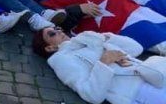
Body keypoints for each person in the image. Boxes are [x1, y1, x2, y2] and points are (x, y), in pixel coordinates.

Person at [33, 29, 166, 104]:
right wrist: (104, 63)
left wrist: (106, 37)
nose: (59, 31)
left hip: (153, 73)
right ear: (50, 47)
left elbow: (136, 48)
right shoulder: (61, 59)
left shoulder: (86, 39)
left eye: (57, 28)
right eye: (52, 34)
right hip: (137, 92)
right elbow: (90, 94)